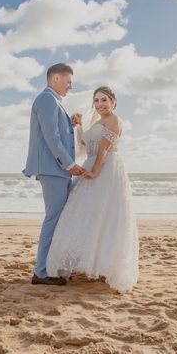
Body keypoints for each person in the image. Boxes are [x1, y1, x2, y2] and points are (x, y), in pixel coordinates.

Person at [46, 86, 139, 293]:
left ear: (114, 101)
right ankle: (83, 262)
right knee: (83, 215)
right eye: (96, 101)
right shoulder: (97, 121)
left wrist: (95, 172)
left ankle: (104, 264)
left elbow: (104, 150)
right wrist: (79, 126)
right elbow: (84, 146)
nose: (100, 104)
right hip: (91, 165)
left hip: (105, 171)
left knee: (102, 216)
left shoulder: (114, 120)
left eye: (104, 100)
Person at [22, 63, 85, 285]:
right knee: (53, 219)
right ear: (55, 78)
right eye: (68, 81)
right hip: (53, 169)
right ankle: (40, 272)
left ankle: (52, 266)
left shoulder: (54, 102)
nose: (70, 86)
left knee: (60, 219)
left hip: (56, 169)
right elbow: (51, 138)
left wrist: (71, 122)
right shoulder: (46, 99)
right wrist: (69, 165)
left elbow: (57, 130)